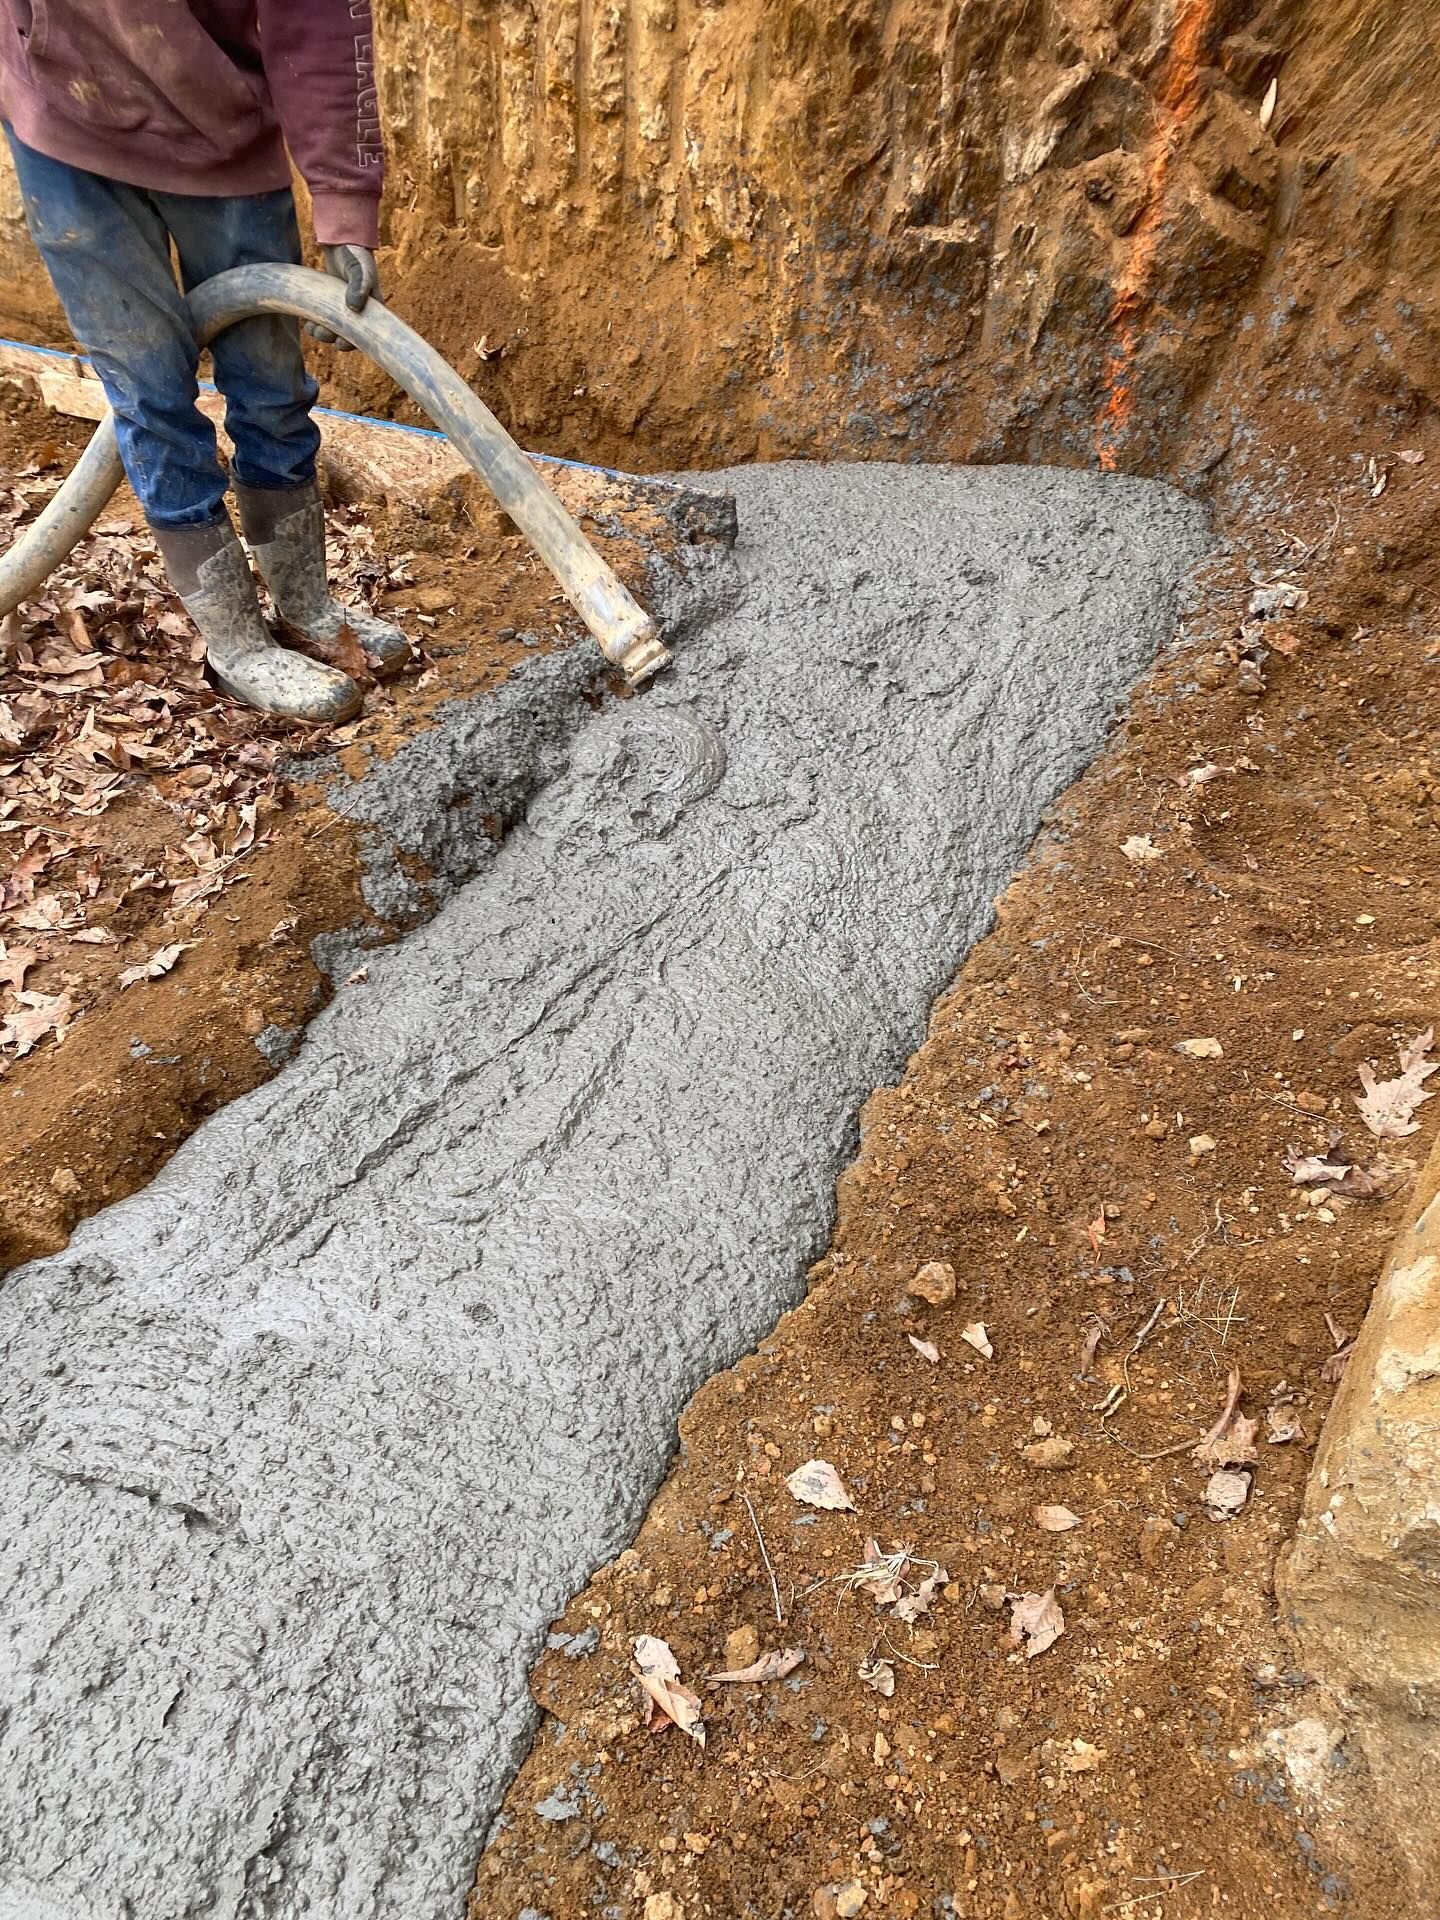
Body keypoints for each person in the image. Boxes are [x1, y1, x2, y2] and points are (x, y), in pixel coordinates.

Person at [0, 2, 409, 722]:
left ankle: (306, 604)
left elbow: (317, 22)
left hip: (222, 126)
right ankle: (236, 644)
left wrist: (344, 203)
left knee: (272, 385)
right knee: (151, 393)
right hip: (64, 125)